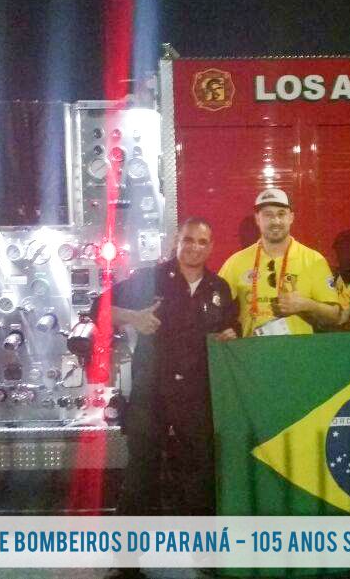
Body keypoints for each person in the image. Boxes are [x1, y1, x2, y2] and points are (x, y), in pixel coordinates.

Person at [94, 217, 238, 524]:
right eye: (189, 240)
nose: (195, 247)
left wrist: (231, 334)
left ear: (211, 247)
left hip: (197, 396)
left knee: (199, 475)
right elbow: (99, 308)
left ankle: (201, 547)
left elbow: (230, 326)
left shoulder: (219, 288)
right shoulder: (150, 278)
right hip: (151, 392)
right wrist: (133, 317)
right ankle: (128, 550)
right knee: (141, 473)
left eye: (202, 242)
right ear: (177, 241)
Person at [218, 188, 339, 337]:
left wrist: (306, 304)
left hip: (299, 350)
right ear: (257, 219)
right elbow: (215, 309)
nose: (275, 221)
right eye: (268, 215)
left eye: (281, 214)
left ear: (291, 217)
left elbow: (335, 316)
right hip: (253, 350)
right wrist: (226, 330)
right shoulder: (236, 262)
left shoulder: (314, 260)